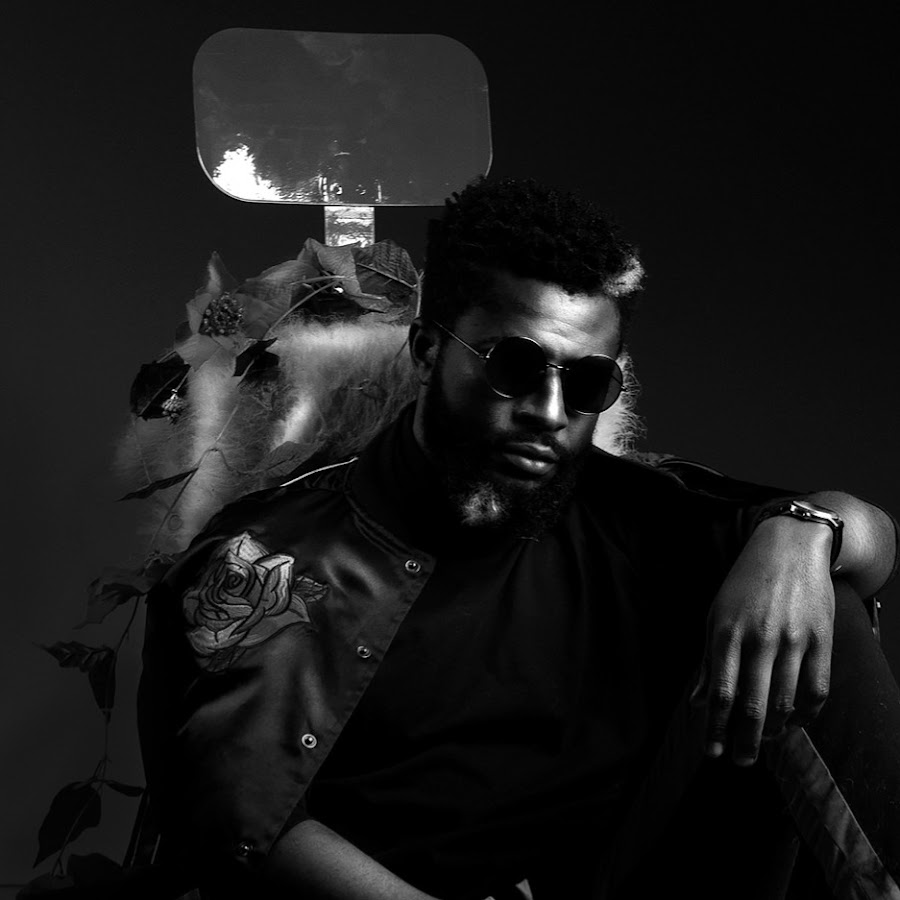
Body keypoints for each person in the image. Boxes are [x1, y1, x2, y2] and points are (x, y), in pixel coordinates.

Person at [138, 177, 900, 900]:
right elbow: (239, 821)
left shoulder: (630, 511)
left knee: (814, 592)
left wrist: (806, 532)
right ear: (427, 351)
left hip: (620, 877)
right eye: (514, 365)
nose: (549, 410)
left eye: (588, 382)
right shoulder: (269, 555)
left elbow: (874, 539)